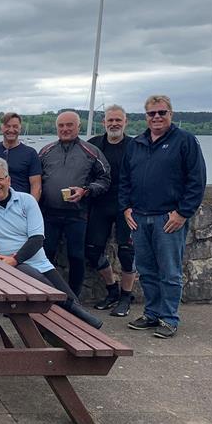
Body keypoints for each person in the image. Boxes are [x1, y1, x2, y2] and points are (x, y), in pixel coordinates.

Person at [0, 158, 102, 329]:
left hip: (35, 260)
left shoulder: (27, 201)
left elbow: (37, 239)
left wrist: (15, 259)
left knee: (68, 298)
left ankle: (82, 330)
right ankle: (82, 325)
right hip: (1, 265)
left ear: (8, 180)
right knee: (50, 293)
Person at [120, 95, 206, 339]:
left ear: (171, 114)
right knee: (146, 270)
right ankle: (152, 314)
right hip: (139, 217)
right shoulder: (136, 144)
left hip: (168, 219)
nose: (156, 117)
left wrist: (182, 213)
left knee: (170, 271)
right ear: (145, 117)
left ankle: (169, 318)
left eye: (161, 112)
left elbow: (196, 181)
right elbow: (125, 180)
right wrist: (126, 208)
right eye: (151, 113)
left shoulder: (185, 141)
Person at [39, 111, 111, 297]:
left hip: (77, 214)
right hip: (48, 214)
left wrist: (85, 190)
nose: (65, 129)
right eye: (61, 126)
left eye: (69, 125)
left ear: (78, 127)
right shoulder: (45, 151)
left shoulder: (91, 151)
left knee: (76, 256)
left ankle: (73, 299)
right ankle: (46, 296)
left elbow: (105, 179)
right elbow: (35, 179)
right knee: (46, 256)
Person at [85, 106, 136, 317]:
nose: (114, 124)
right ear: (104, 122)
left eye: (118, 120)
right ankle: (112, 290)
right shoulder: (94, 144)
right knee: (92, 250)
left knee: (126, 252)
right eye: (110, 120)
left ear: (126, 122)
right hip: (100, 203)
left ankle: (126, 297)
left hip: (127, 205)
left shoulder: (135, 145)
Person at [0, 112, 42, 201]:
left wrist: (30, 208)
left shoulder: (30, 153)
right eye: (7, 126)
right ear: (2, 128)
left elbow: (36, 186)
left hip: (21, 204)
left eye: (15, 126)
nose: (11, 130)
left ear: (20, 129)